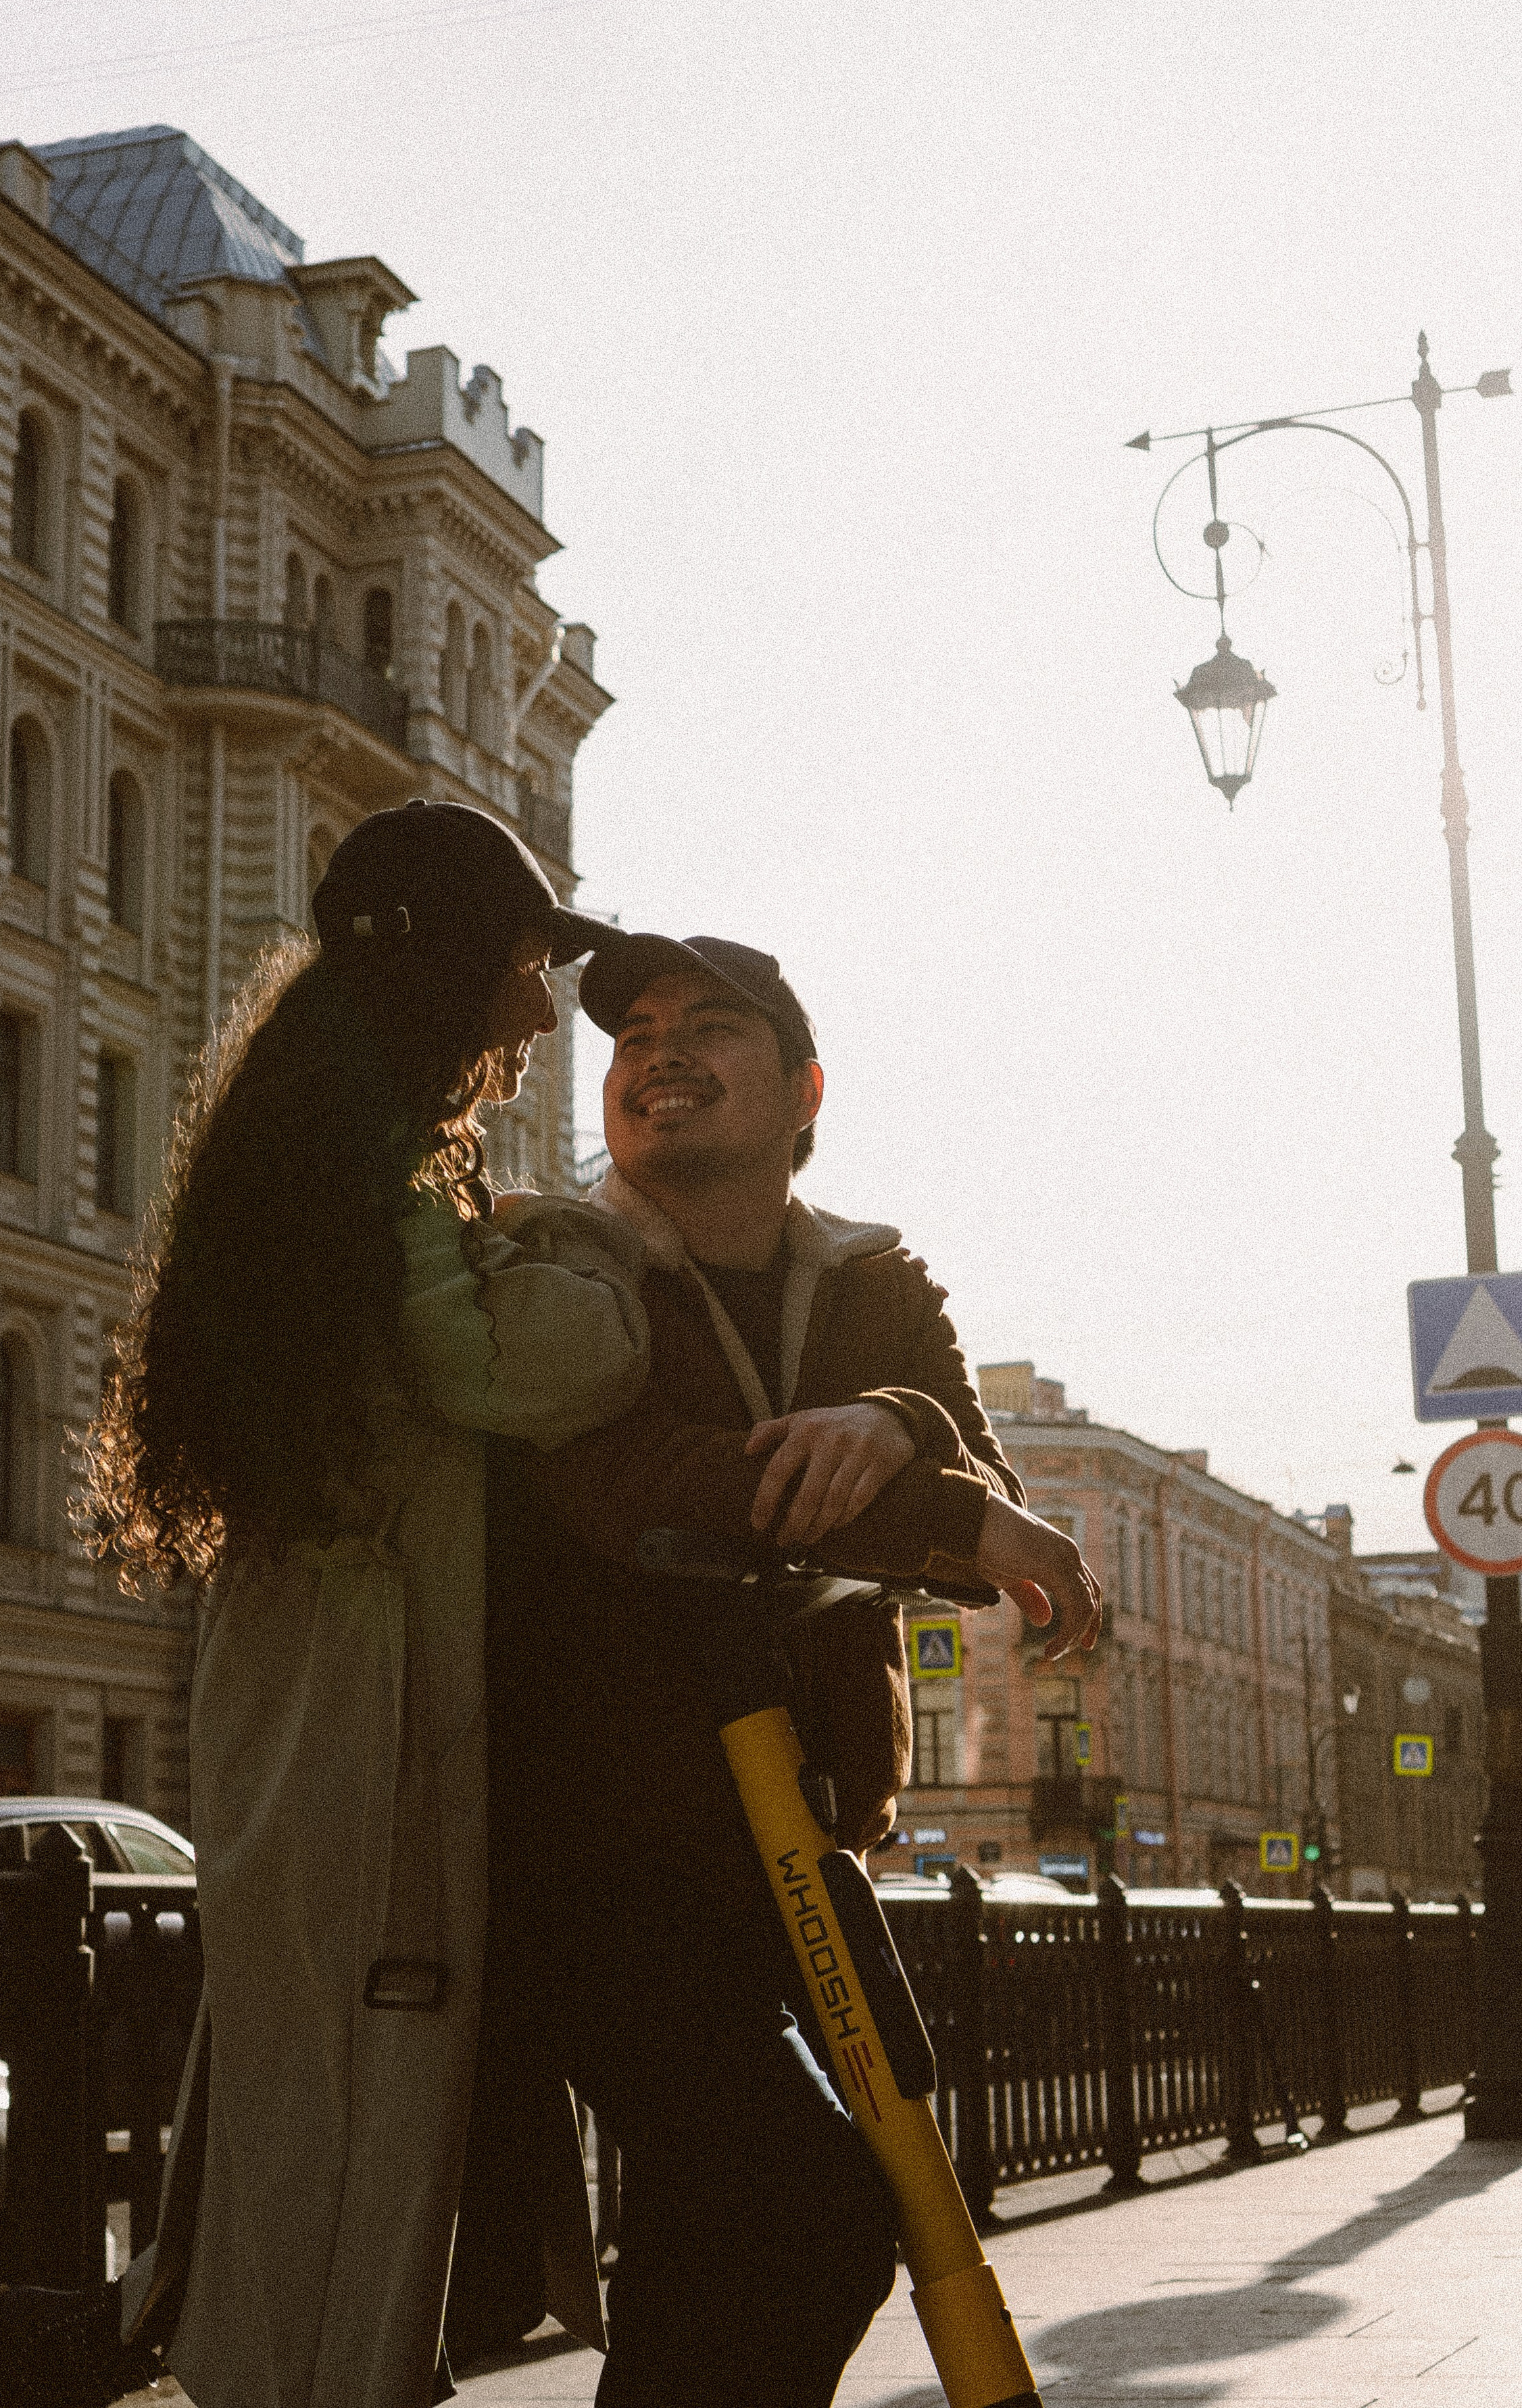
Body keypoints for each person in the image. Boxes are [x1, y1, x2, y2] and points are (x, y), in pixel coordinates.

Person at [0, 802, 651, 2408]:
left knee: (322, 2125)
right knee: (354, 2126)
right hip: (367, 1738)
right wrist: (595, 1244)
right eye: (524, 973)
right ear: (449, 974)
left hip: (316, 1710)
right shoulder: (389, 1172)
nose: (541, 1014)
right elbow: (532, 1364)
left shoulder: (319, 1152)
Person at [464, 931, 1099, 2408]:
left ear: (805, 1085)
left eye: (708, 1028)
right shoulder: (558, 1264)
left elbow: (959, 1444)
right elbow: (635, 1484)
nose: (658, 1055)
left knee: (807, 2202)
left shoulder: (876, 1278)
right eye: (632, 1039)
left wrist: (894, 1422)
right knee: (797, 2211)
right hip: (596, 1856)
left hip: (796, 1842)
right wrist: (935, 1497)